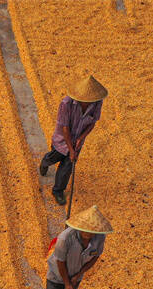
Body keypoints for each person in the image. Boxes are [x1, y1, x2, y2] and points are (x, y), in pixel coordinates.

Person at [39, 75, 107, 205]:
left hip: (77, 140)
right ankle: (45, 162)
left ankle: (58, 190)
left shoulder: (97, 102)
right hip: (62, 139)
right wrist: (71, 149)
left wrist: (81, 138)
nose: (89, 103)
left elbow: (92, 123)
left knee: (67, 166)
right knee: (54, 157)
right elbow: (65, 128)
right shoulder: (66, 104)